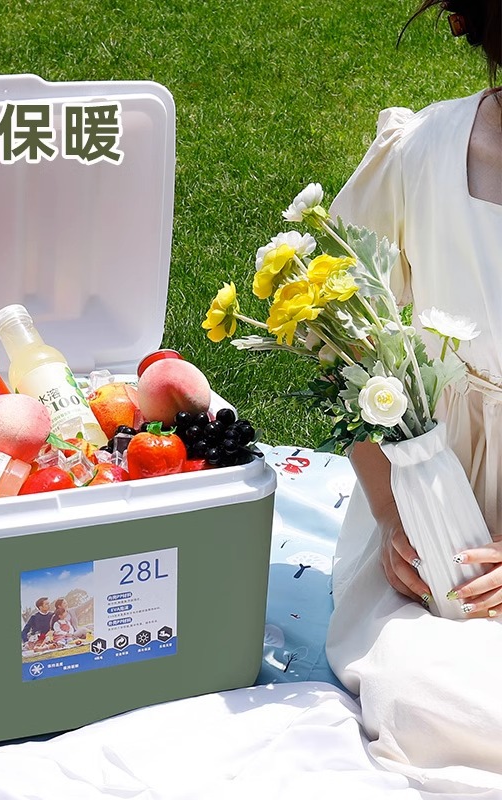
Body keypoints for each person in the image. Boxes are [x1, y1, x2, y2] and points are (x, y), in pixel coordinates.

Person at [324, 0, 502, 790]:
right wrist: (395, 518)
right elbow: (345, 353)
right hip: (445, 540)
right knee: (438, 704)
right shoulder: (421, 155)